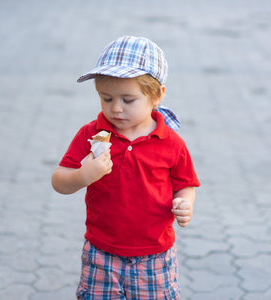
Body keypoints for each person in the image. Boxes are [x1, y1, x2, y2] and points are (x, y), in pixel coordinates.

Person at [52, 36, 200, 299]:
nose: (116, 108)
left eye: (128, 100)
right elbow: (59, 180)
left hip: (154, 254)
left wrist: (185, 203)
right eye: (106, 98)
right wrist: (83, 175)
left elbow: (185, 184)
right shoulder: (92, 134)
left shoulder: (171, 143)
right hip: (101, 251)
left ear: (157, 95)